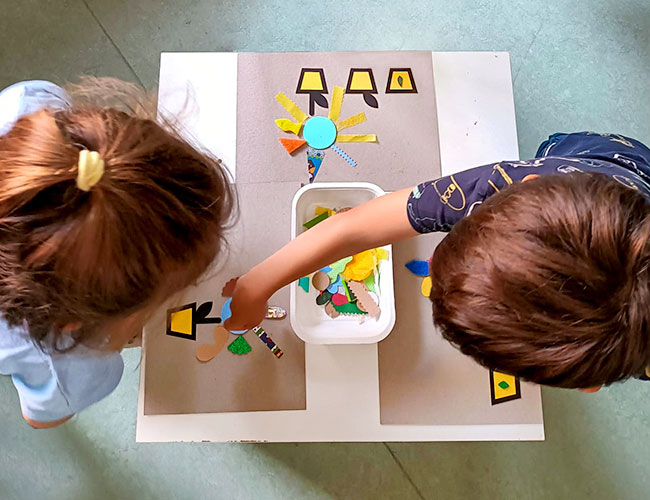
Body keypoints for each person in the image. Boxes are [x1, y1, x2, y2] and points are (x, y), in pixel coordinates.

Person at [226, 132, 650, 391]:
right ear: (528, 186)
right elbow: (350, 227)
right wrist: (257, 285)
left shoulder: (515, 195)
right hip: (603, 158)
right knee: (560, 144)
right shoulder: (500, 188)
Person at [0, 79, 234, 428]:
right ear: (76, 324)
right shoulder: (72, 368)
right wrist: (114, 337)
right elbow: (41, 418)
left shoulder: (29, 110)